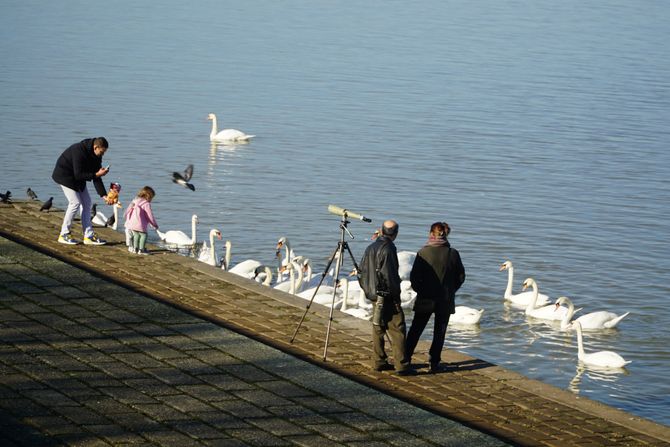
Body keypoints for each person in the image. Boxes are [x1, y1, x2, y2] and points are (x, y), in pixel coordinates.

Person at [405, 222, 465, 373]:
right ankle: (434, 362)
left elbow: (414, 278)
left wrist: (422, 291)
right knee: (440, 332)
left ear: (431, 233)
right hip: (445, 299)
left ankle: (405, 358)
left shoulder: (423, 253)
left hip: (425, 298)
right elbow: (461, 277)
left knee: (416, 329)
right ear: (447, 234)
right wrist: (450, 291)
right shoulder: (453, 253)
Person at [358, 220, 415, 375]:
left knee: (378, 327)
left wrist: (368, 291)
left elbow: (361, 271)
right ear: (395, 234)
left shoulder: (370, 247)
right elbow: (389, 276)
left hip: (373, 294)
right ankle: (402, 365)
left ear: (381, 231)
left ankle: (379, 361)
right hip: (387, 295)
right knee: (398, 329)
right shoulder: (389, 249)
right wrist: (395, 295)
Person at [51, 137, 112, 245]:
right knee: (75, 202)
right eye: (102, 152)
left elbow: (96, 177)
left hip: (78, 179)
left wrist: (104, 195)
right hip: (64, 176)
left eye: (104, 153)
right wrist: (96, 174)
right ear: (95, 147)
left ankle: (88, 236)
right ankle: (64, 234)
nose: (102, 155)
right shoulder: (78, 150)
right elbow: (79, 174)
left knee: (87, 203)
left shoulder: (96, 156)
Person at [123, 186, 159, 255]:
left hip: (132, 223)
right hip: (140, 225)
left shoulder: (135, 200)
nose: (151, 200)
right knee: (144, 235)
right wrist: (154, 224)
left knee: (136, 235)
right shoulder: (146, 204)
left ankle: (135, 249)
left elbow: (128, 210)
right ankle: (141, 249)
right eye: (152, 198)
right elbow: (150, 216)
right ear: (148, 196)